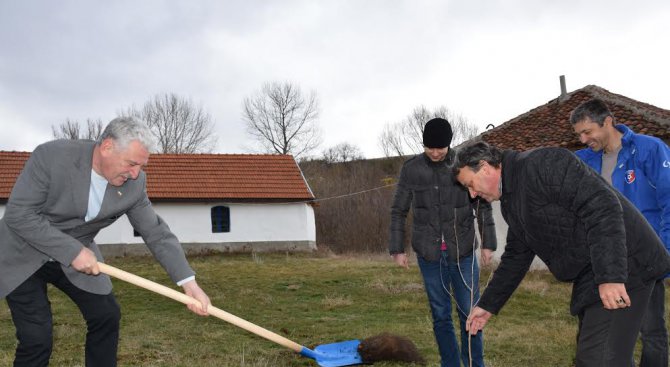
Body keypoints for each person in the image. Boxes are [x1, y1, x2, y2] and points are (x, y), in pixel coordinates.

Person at [0, 117, 211, 367]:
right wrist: (71, 251)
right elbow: (19, 215)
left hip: (78, 255)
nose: (135, 174)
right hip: (22, 251)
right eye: (131, 163)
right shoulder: (52, 157)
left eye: (141, 166)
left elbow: (156, 232)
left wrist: (189, 284)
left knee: (106, 315)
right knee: (37, 337)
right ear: (107, 147)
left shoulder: (135, 183)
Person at [453, 141, 670, 366]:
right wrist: (487, 304)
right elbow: (517, 256)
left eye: (470, 184)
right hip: (595, 273)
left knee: (599, 358)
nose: (472, 194)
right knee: (601, 355)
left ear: (485, 167)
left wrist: (611, 276)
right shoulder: (511, 199)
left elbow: (603, 205)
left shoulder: (542, 163)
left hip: (626, 263)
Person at [389, 118, 497, 367]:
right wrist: (397, 248)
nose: (435, 153)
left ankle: (473, 363)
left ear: (449, 145)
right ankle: (450, 363)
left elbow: (482, 205)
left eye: (441, 148)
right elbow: (398, 210)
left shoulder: (463, 164)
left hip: (464, 253)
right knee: (440, 316)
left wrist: (488, 242)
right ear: (423, 144)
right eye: (430, 147)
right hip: (430, 255)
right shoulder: (411, 169)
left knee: (470, 315)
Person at [570, 98, 669, 367]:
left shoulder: (650, 149)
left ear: (608, 122)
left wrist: (664, 252)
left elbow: (669, 202)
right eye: (578, 134)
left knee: (651, 331)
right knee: (598, 332)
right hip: (602, 263)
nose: (582, 139)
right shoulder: (583, 162)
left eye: (587, 132)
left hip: (644, 259)